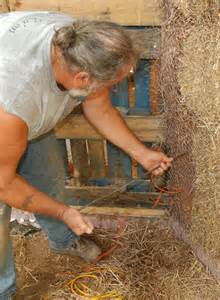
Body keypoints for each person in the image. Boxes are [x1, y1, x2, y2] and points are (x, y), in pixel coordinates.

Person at [0, 11, 172, 299]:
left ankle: (65, 239)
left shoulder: (80, 44)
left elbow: (99, 108)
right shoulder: (14, 104)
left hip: (20, 110)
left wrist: (142, 154)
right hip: (7, 110)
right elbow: (5, 185)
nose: (116, 86)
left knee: (47, 175)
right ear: (82, 78)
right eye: (113, 82)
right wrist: (64, 211)